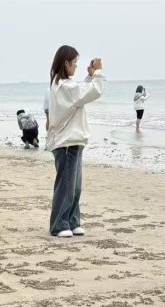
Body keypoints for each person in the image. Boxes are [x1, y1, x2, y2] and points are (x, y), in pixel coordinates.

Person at [45, 46, 105, 238]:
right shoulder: (63, 86)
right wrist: (98, 73)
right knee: (67, 186)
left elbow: (80, 94)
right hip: (67, 143)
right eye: (75, 62)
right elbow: (91, 92)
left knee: (74, 186)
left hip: (72, 141)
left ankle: (71, 221)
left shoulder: (63, 85)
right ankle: (59, 224)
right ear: (66, 63)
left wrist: (89, 77)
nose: (77, 66)